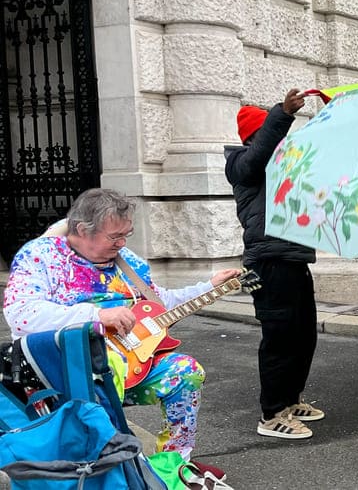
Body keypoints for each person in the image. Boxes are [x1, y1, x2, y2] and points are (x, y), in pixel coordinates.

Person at [2, 189, 241, 468]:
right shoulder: (40, 256)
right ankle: (112, 465)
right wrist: (97, 315)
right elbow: (20, 314)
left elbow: (157, 303)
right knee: (109, 366)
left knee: (186, 372)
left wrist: (209, 287)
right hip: (66, 369)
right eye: (115, 236)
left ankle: (174, 463)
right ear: (83, 230)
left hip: (131, 362)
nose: (122, 243)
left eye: (127, 235)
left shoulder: (127, 260)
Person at [224, 88, 324, 440]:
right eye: (272, 133)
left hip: (293, 259)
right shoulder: (240, 163)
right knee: (280, 338)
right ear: (258, 135)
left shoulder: (280, 168)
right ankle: (272, 413)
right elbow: (259, 155)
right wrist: (282, 114)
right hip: (268, 263)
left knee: (303, 335)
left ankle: (291, 400)